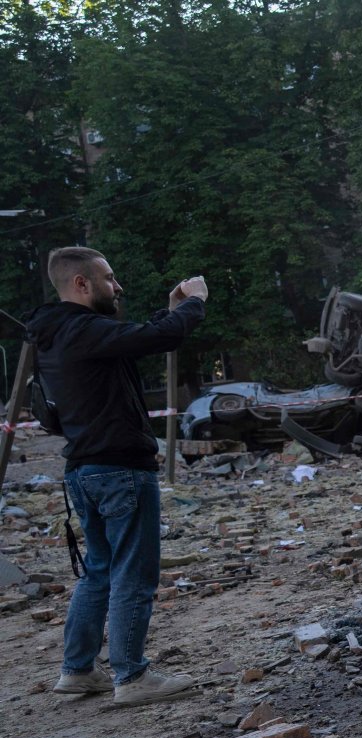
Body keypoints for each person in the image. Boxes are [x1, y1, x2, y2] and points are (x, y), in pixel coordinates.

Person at [24, 247, 207, 706]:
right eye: (108, 277)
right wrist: (194, 304)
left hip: (84, 469)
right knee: (133, 574)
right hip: (120, 469)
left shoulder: (59, 334)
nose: (117, 285)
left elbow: (140, 337)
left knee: (100, 572)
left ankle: (78, 670)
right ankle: (131, 676)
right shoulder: (84, 330)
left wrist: (169, 313)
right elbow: (160, 339)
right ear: (81, 284)